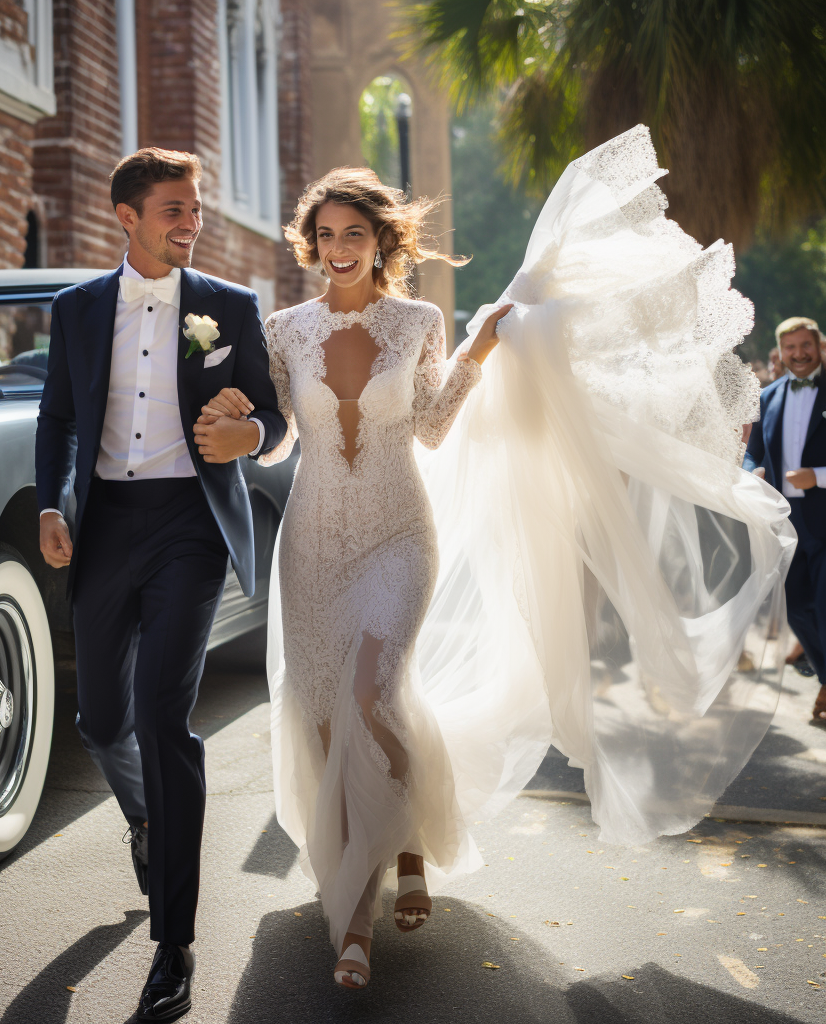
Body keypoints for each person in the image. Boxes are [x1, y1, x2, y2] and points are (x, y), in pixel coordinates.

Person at [200, 128, 795, 989]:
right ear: (311, 243)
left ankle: (355, 918)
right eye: (324, 235)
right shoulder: (284, 330)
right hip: (313, 541)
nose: (337, 250)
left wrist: (477, 352)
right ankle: (406, 848)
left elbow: (434, 427)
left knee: (373, 692)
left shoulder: (419, 321)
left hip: (400, 534)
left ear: (381, 241)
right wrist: (242, 429)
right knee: (328, 713)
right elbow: (282, 435)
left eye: (353, 234)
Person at [35, 147, 286, 1023]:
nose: (192, 224)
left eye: (196, 210)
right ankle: (147, 820)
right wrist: (50, 504)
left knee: (162, 718)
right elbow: (59, 416)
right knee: (101, 721)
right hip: (105, 531)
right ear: (128, 218)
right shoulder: (74, 309)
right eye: (174, 210)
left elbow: (275, 416)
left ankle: (172, 942)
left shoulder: (230, 307)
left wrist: (248, 436)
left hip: (190, 529)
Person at [744, 316, 826, 724]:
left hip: (825, 520)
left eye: (805, 345)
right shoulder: (768, 396)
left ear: (819, 345)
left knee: (825, 611)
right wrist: (751, 472)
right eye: (790, 347)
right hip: (785, 523)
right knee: (797, 611)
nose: (798, 354)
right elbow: (754, 451)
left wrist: (819, 477)